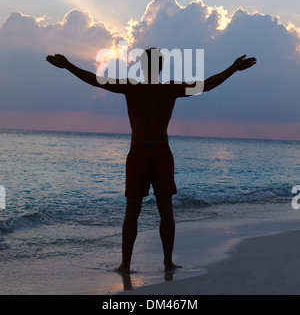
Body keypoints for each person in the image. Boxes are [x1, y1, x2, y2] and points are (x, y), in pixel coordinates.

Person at [46, 49, 256, 273]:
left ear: (142, 67)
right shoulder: (170, 88)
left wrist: (68, 66)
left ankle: (126, 264)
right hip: (161, 152)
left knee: (133, 212)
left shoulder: (131, 86)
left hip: (139, 152)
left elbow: (95, 80)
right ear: (161, 67)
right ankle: (166, 261)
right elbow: (206, 85)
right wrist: (233, 68)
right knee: (165, 211)